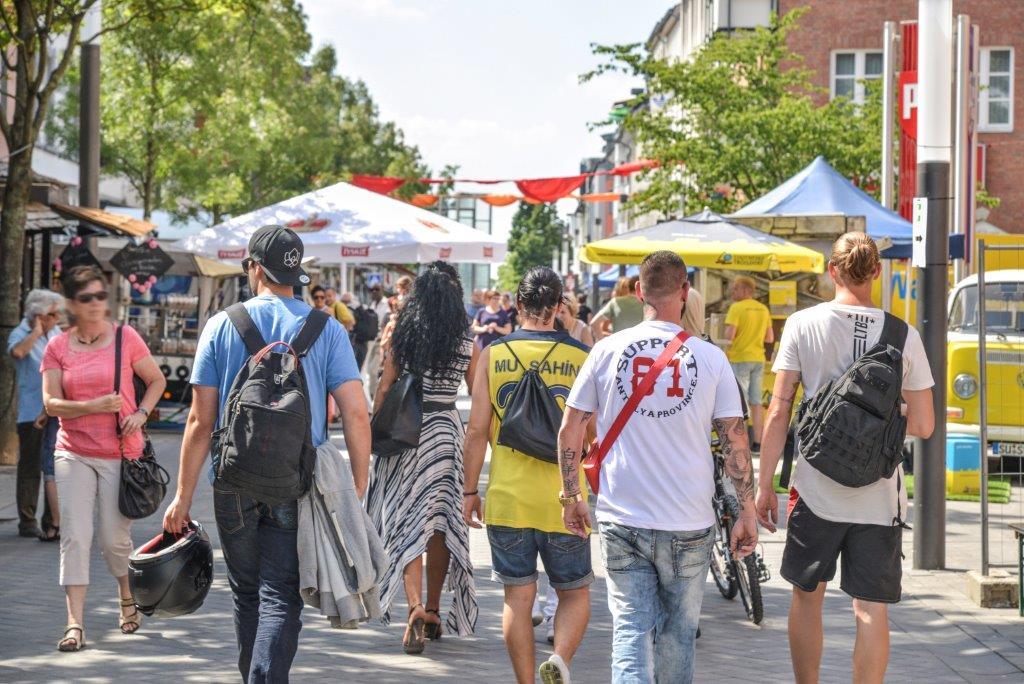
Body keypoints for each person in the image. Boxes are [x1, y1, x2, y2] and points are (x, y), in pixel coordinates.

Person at [163, 225, 371, 682]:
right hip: (294, 481)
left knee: (246, 593)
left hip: (232, 478)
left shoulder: (222, 324)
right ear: (297, 275)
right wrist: (358, 482)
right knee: (280, 594)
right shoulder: (327, 329)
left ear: (254, 268)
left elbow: (199, 421)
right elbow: (357, 414)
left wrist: (182, 496)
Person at [559, 250, 757, 683]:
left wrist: (571, 495)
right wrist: (747, 510)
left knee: (630, 628)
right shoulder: (710, 359)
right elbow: (735, 440)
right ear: (685, 291)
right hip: (689, 519)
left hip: (623, 516)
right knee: (678, 634)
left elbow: (570, 428)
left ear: (638, 291)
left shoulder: (606, 350)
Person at [756, 233, 935, 684]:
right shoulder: (904, 335)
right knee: (870, 609)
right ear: (877, 271)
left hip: (814, 488)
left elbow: (779, 411)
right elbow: (924, 425)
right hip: (880, 495)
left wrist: (763, 485)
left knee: (806, 596)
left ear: (831, 270)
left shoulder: (802, 324)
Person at [463, 267, 593, 684]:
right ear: (559, 306)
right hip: (565, 500)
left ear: (518, 304)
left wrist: (469, 491)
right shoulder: (582, 357)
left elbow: (476, 430)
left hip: (508, 498)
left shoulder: (493, 354)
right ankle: (559, 659)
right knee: (573, 592)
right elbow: (592, 433)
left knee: (517, 600)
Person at [41, 266, 167, 652]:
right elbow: (51, 403)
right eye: (87, 298)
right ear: (72, 304)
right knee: (75, 536)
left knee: (114, 540)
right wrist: (92, 406)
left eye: (100, 296)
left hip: (120, 453)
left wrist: (141, 413)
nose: (96, 303)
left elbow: (157, 380)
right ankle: (74, 623)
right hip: (73, 451)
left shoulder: (125, 338)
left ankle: (126, 595)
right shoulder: (57, 347)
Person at [367, 261, 479, 654]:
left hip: (407, 434)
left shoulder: (406, 336)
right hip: (446, 433)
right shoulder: (466, 342)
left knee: (407, 520)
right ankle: (433, 610)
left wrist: (373, 429)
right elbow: (479, 397)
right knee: (440, 524)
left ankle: (413, 605)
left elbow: (385, 388)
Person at [8, 288, 63, 540]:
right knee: (30, 466)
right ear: (39, 315)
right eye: (52, 314)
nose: (57, 318)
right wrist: (36, 333)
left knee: (53, 466)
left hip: (56, 408)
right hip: (31, 410)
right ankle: (27, 521)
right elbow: (18, 353)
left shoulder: (56, 332)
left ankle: (51, 520)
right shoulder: (20, 333)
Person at [724, 276, 773, 449]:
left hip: (740, 358)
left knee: (740, 402)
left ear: (745, 290)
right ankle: (758, 443)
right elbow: (770, 338)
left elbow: (729, 336)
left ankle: (742, 443)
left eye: (736, 289)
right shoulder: (763, 309)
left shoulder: (736, 308)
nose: (733, 292)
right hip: (758, 358)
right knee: (756, 402)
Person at [590, 275, 643, 340]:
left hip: (619, 343)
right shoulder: (647, 303)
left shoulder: (615, 302)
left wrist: (603, 342)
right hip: (642, 343)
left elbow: (594, 323)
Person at [364, 283, 392, 397]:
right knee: (369, 370)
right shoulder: (372, 304)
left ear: (382, 290)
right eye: (372, 289)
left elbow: (387, 322)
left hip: (381, 341)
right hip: (372, 340)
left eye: (377, 289)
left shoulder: (387, 304)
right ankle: (372, 395)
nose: (374, 291)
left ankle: (375, 396)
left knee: (373, 370)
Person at [341, 292, 370, 370]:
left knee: (350, 366)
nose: (343, 303)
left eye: (344, 301)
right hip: (363, 341)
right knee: (357, 367)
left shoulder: (348, 309)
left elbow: (350, 325)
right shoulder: (362, 307)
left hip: (353, 340)